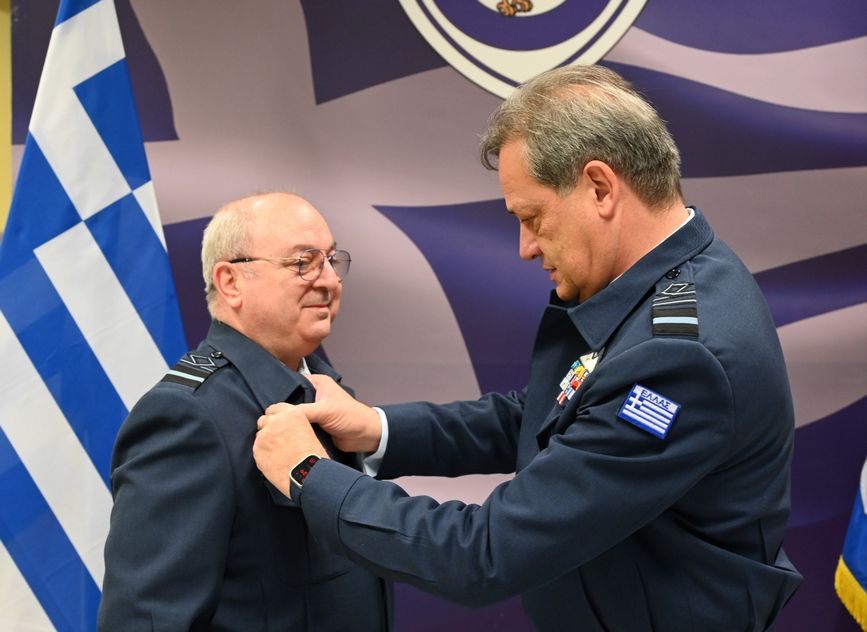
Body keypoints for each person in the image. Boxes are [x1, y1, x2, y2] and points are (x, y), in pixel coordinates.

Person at [252, 66, 803, 631]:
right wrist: (377, 429)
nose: (525, 247)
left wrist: (309, 473)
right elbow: (556, 417)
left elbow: (483, 554)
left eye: (532, 218)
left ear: (600, 188)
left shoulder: (677, 359)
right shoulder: (680, 280)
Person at [98, 192, 391, 630]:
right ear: (230, 282)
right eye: (304, 262)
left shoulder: (327, 392)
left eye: (332, 260)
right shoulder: (187, 418)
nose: (330, 280)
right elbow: (146, 621)